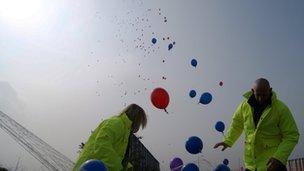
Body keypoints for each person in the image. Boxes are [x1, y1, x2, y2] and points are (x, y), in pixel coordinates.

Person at [214, 78, 299, 171]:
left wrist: (279, 157)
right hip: (251, 165)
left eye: (264, 95)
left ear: (270, 90)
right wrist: (228, 140)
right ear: (252, 91)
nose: (261, 98)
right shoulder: (244, 106)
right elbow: (236, 125)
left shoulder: (281, 109)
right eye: (258, 95)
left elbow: (291, 135)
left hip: (273, 165)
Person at [73, 104, 147, 171]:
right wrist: (118, 167)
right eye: (140, 123)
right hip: (89, 166)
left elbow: (116, 154)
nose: (139, 127)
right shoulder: (117, 123)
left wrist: (127, 167)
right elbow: (101, 144)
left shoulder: (125, 131)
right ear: (136, 119)